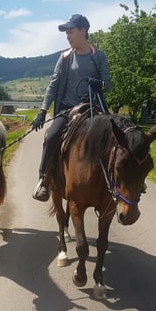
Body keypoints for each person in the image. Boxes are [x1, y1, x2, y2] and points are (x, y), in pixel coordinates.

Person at [30, 14, 111, 201]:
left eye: (71, 31)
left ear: (83, 31)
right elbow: (53, 85)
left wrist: (99, 84)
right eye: (66, 33)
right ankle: (44, 180)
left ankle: (126, 178)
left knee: (116, 135)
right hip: (67, 110)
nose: (68, 36)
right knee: (51, 137)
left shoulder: (98, 56)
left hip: (93, 109)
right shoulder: (65, 57)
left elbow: (108, 84)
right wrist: (43, 111)